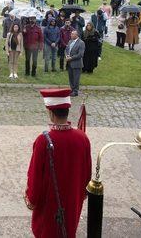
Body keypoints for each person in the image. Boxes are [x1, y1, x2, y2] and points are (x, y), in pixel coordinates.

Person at [25, 88, 91, 238]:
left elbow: (35, 177)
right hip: (72, 203)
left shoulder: (43, 141)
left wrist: (31, 198)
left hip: (49, 206)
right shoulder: (82, 138)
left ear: (50, 113)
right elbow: (87, 176)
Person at [65, 31, 85, 97]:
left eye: (72, 34)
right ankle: (72, 89)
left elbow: (80, 54)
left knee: (76, 78)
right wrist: (67, 55)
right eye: (71, 34)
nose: (71, 35)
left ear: (76, 35)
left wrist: (71, 58)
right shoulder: (70, 41)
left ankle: (75, 91)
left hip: (76, 64)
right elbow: (67, 49)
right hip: (69, 63)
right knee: (71, 77)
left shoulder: (81, 43)